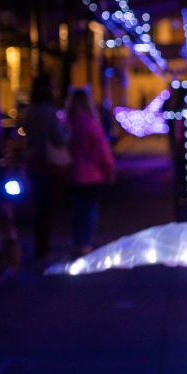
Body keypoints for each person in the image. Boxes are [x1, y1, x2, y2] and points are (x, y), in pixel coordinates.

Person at [22, 75, 70, 259]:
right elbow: (60, 138)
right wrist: (67, 129)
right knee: (48, 207)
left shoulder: (29, 111)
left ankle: (39, 245)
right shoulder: (49, 112)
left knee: (39, 205)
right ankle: (44, 248)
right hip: (49, 164)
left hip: (33, 162)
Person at [65, 87, 115, 257]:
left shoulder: (68, 124)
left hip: (72, 173)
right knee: (90, 209)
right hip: (92, 174)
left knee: (77, 209)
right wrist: (109, 169)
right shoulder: (90, 123)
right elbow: (102, 150)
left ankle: (77, 242)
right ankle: (86, 243)